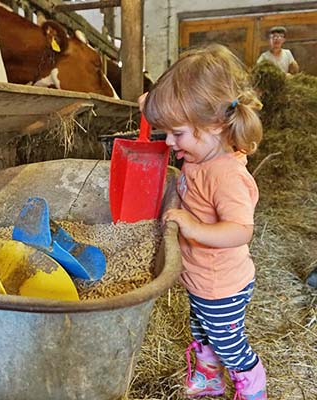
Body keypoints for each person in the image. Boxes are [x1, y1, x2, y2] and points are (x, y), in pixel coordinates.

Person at [140, 44, 267, 400]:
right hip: (200, 279)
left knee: (229, 344)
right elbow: (169, 112)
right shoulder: (200, 150)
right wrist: (155, 108)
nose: (168, 142)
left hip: (221, 285)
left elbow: (241, 230)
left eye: (176, 133)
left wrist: (193, 228)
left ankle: (252, 385)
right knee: (202, 332)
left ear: (213, 124)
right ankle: (209, 380)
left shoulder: (225, 175)